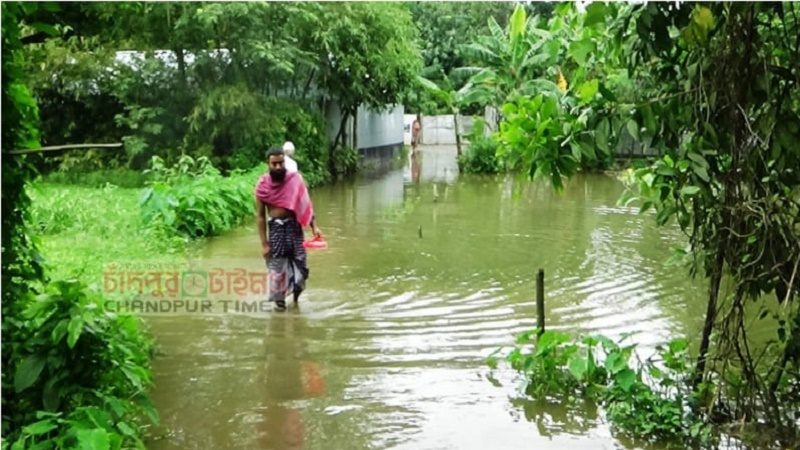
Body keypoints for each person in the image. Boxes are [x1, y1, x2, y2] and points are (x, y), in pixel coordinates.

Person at [255, 147, 322, 310]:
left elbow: (306, 205)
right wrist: (264, 244)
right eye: (274, 164)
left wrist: (314, 227)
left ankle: (296, 300)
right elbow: (261, 217)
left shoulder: (295, 180)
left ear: (285, 162)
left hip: (294, 229)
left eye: (281, 163)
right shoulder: (262, 185)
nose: (278, 167)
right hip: (276, 230)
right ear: (268, 163)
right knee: (277, 269)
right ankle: (280, 304)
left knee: (300, 267)